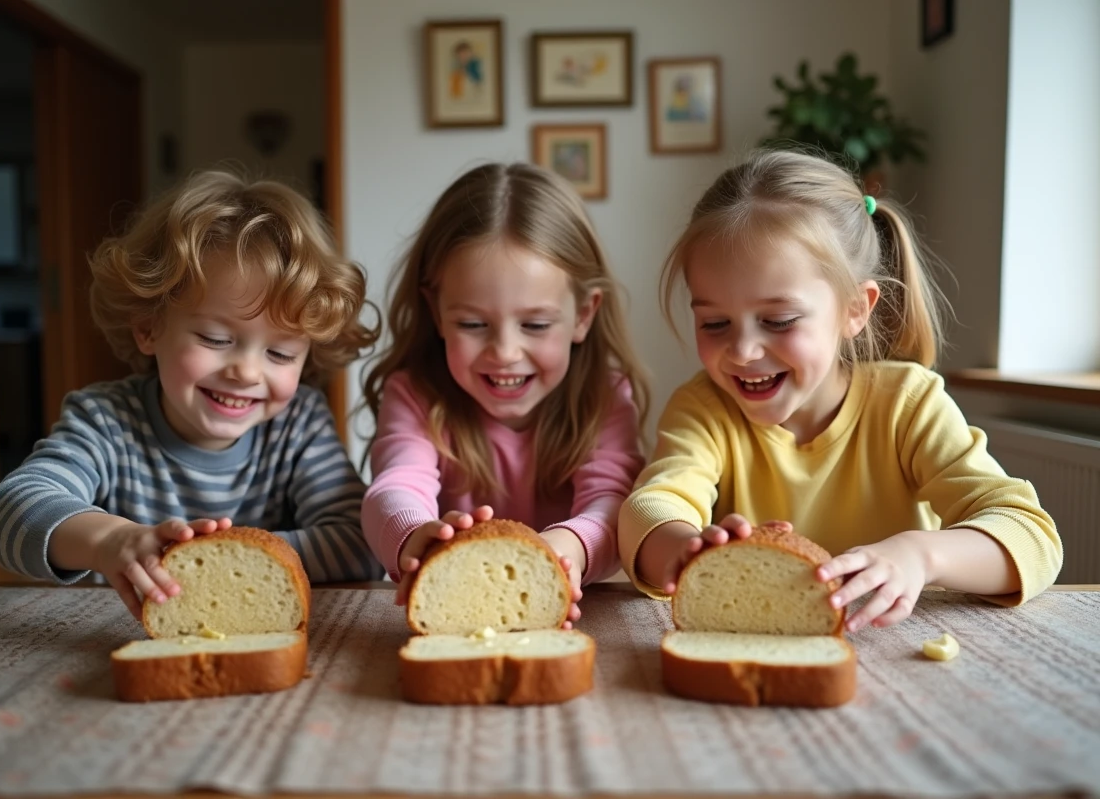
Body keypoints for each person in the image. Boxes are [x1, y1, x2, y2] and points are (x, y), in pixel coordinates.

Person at [620, 149, 1062, 632]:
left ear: (855, 308)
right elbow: (650, 510)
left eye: (778, 320)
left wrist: (921, 554)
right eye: (715, 322)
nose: (743, 350)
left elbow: (1030, 535)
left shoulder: (907, 404)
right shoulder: (705, 409)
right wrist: (686, 549)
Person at [0, 169, 383, 618]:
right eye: (214, 338)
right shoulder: (106, 419)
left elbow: (359, 543)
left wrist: (210, 560)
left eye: (280, 353)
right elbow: (5, 513)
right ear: (149, 328)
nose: (246, 371)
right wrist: (111, 541)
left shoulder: (299, 422)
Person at [362, 162, 649, 625]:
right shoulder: (415, 394)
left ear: (583, 314)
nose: (505, 352)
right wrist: (417, 538)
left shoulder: (604, 395)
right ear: (436, 312)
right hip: (458, 609)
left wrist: (570, 548)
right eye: (473, 324)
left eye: (535, 325)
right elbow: (395, 486)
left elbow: (613, 501)